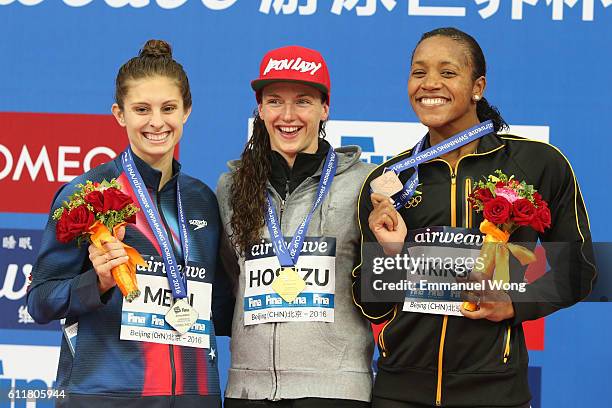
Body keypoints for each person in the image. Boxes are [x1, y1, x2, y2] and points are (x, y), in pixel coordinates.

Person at [352, 27, 597, 408]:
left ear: (477, 86)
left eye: (447, 72)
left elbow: (579, 269)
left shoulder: (538, 164)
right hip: (400, 389)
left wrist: (516, 304)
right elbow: (375, 305)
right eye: (419, 73)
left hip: (494, 389)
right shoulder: (387, 181)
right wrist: (392, 255)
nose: (429, 83)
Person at [27, 39, 235, 408]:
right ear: (119, 114)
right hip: (108, 396)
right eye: (142, 109)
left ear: (187, 111)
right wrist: (99, 282)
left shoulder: (204, 199)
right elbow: (41, 302)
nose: (157, 122)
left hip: (193, 396)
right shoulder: (87, 194)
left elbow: (219, 305)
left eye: (168, 108)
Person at [216, 45, 375, 407]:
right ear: (260, 109)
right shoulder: (231, 186)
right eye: (275, 101)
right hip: (247, 389)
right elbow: (230, 277)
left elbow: (380, 287)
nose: (288, 115)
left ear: (325, 108)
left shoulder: (363, 183)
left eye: (303, 101)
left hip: (334, 390)